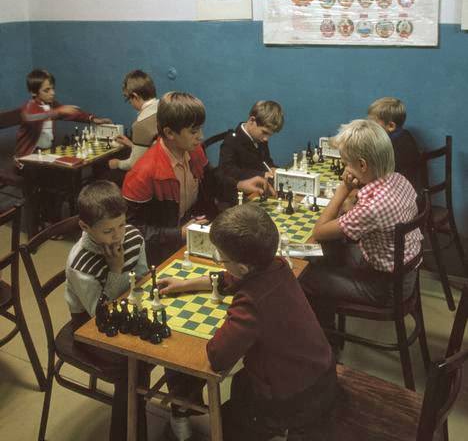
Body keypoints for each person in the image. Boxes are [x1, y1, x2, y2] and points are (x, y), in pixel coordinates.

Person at [157, 204, 337, 441]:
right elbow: (230, 279)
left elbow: (218, 356)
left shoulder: (251, 302)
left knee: (227, 422)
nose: (220, 263)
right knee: (241, 386)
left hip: (295, 399)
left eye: (222, 258)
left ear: (242, 267)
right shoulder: (278, 265)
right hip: (321, 375)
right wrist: (184, 284)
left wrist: (228, 319)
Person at [300, 119, 423, 350]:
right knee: (326, 252)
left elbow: (319, 231)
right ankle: (329, 332)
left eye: (347, 163)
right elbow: (353, 215)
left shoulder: (373, 207)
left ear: (363, 165)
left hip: (385, 288)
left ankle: (325, 347)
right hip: (401, 272)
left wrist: (343, 190)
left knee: (304, 277)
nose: (345, 168)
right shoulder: (398, 179)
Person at [122, 92, 269, 265]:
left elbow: (212, 182)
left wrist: (240, 184)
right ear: (169, 133)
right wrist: (179, 233)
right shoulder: (143, 173)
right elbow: (131, 230)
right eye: (193, 131)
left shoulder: (195, 150)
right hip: (163, 252)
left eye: (200, 128)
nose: (201, 136)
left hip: (195, 233)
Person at [65, 181, 149, 441]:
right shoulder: (79, 263)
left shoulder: (133, 236)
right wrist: (115, 270)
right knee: (132, 365)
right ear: (85, 227)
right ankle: (127, 433)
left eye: (122, 224)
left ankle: (175, 414)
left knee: (168, 341)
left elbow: (143, 276)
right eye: (108, 231)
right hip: (90, 326)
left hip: (127, 307)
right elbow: (98, 316)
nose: (118, 235)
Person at [15, 68, 110, 158]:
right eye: (46, 90)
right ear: (33, 92)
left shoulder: (51, 104)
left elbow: (71, 113)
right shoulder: (29, 106)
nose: (52, 93)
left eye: (52, 88)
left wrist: (92, 119)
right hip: (26, 157)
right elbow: (30, 117)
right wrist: (58, 111)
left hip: (45, 153)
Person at [217, 100, 284, 204]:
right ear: (252, 120)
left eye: (270, 135)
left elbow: (266, 162)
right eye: (264, 132)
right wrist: (262, 174)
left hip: (259, 190)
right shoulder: (232, 140)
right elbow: (227, 171)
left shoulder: (260, 139)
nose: (266, 139)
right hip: (238, 197)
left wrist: (273, 169)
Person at [108, 69, 158, 173]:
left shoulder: (141, 125)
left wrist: (117, 163)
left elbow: (134, 164)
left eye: (128, 99)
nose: (130, 103)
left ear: (135, 96)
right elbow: (154, 148)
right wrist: (132, 144)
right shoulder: (164, 107)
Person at [367, 96, 421, 190]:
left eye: (373, 124)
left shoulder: (391, 147)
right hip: (408, 190)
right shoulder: (405, 135)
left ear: (391, 126)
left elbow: (378, 175)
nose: (370, 127)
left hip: (399, 192)